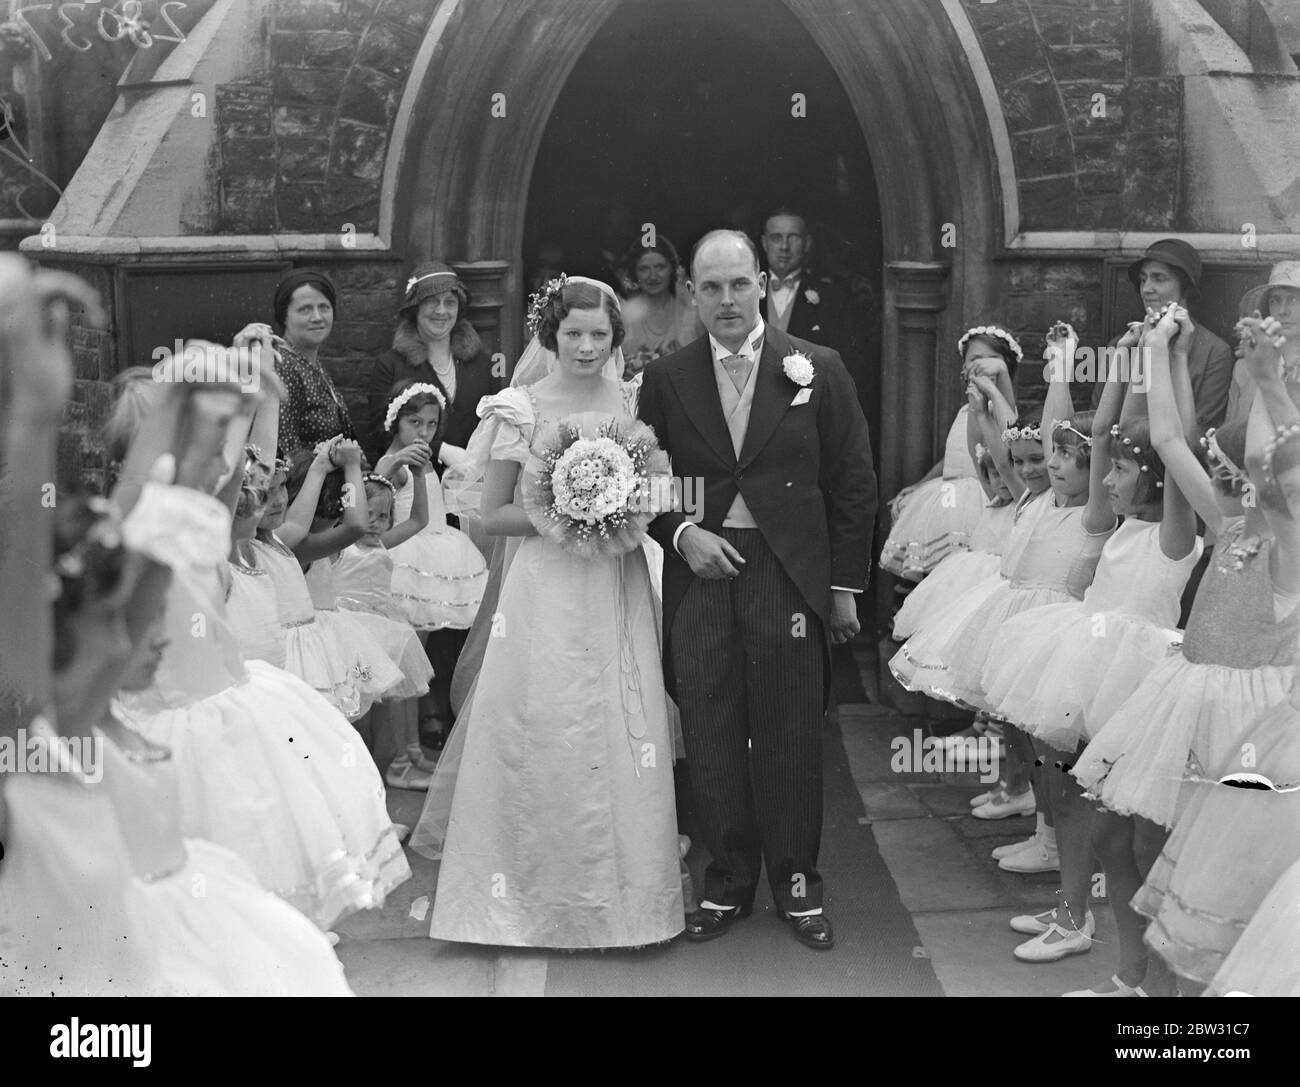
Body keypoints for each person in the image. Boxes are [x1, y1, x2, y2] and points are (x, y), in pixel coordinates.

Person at [410, 276, 684, 949]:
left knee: (619, 722)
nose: (587, 346)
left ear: (616, 338)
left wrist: (622, 507)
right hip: (543, 588)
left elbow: (660, 492)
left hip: (614, 580)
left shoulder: (635, 400)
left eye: (599, 334)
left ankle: (629, 907)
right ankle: (520, 898)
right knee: (542, 720)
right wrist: (566, 508)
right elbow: (491, 513)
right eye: (574, 333)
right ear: (550, 336)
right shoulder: (518, 408)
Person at [637, 229, 877, 950]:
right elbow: (648, 479)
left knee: (789, 733)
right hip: (702, 572)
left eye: (739, 284)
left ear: (763, 284)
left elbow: (852, 481)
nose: (726, 300)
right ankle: (729, 880)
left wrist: (841, 588)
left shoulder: (818, 369)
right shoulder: (668, 377)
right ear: (692, 294)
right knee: (709, 728)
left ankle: (798, 885)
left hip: (787, 575)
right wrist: (682, 533)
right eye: (710, 287)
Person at [1073, 313, 1299, 996]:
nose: (1228, 482)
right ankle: (1139, 983)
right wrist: (1160, 353)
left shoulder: (1289, 549)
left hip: (1249, 730)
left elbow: (1280, 462)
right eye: (1227, 474)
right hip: (1189, 700)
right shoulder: (1233, 527)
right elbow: (1170, 439)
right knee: (1130, 842)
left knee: (1207, 888)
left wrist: (1267, 382)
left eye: (1235, 473)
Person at [981, 319, 1201, 976]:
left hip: (1133, 681)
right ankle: (1072, 912)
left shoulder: (1175, 534)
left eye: (1123, 472)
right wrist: (1124, 361)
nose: (1105, 478)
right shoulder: (1114, 524)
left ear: (1155, 480)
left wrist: (1171, 357)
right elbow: (1099, 435)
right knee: (1075, 800)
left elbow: (1173, 438)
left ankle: (1119, 950)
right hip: (1087, 659)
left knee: (1116, 823)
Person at [367, 263, 500, 745]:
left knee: (456, 604)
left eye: (450, 303)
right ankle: (420, 720)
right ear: (414, 310)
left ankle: (453, 702)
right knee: (419, 609)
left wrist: (472, 462)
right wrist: (434, 452)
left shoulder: (480, 362)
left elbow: (489, 426)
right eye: (431, 303)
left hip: (466, 491)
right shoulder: (393, 364)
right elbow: (387, 427)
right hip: (413, 490)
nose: (441, 311)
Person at [882, 325, 1019, 581]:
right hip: (948, 493)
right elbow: (955, 454)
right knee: (939, 573)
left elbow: (1009, 433)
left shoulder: (1000, 407)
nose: (980, 366)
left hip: (979, 495)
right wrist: (921, 484)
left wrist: (1000, 381)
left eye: (989, 360)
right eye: (973, 360)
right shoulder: (966, 410)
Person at [1089, 238, 1232, 434]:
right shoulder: (1122, 345)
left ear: (1186, 287)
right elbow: (1097, 419)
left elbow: (1199, 431)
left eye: (1159, 278)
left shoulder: (1214, 352)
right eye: (1143, 279)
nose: (1147, 289)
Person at [235, 270, 357, 459]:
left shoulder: (312, 364)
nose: (317, 317)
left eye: (324, 307)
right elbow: (283, 453)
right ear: (284, 316)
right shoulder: (284, 366)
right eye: (305, 309)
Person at [759, 208, 871, 413]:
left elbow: (844, 367)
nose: (784, 247)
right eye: (776, 238)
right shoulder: (747, 294)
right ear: (765, 243)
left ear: (807, 244)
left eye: (793, 238)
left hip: (808, 413)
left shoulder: (832, 297)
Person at [1226, 260, 1300, 425]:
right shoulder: (1244, 367)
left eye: (1293, 300)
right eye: (1275, 300)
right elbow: (1231, 432)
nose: (1283, 311)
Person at [619, 236, 702, 377]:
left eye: (660, 267)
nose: (653, 276)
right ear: (634, 272)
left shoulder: (691, 311)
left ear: (672, 268)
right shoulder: (623, 313)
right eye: (644, 269)